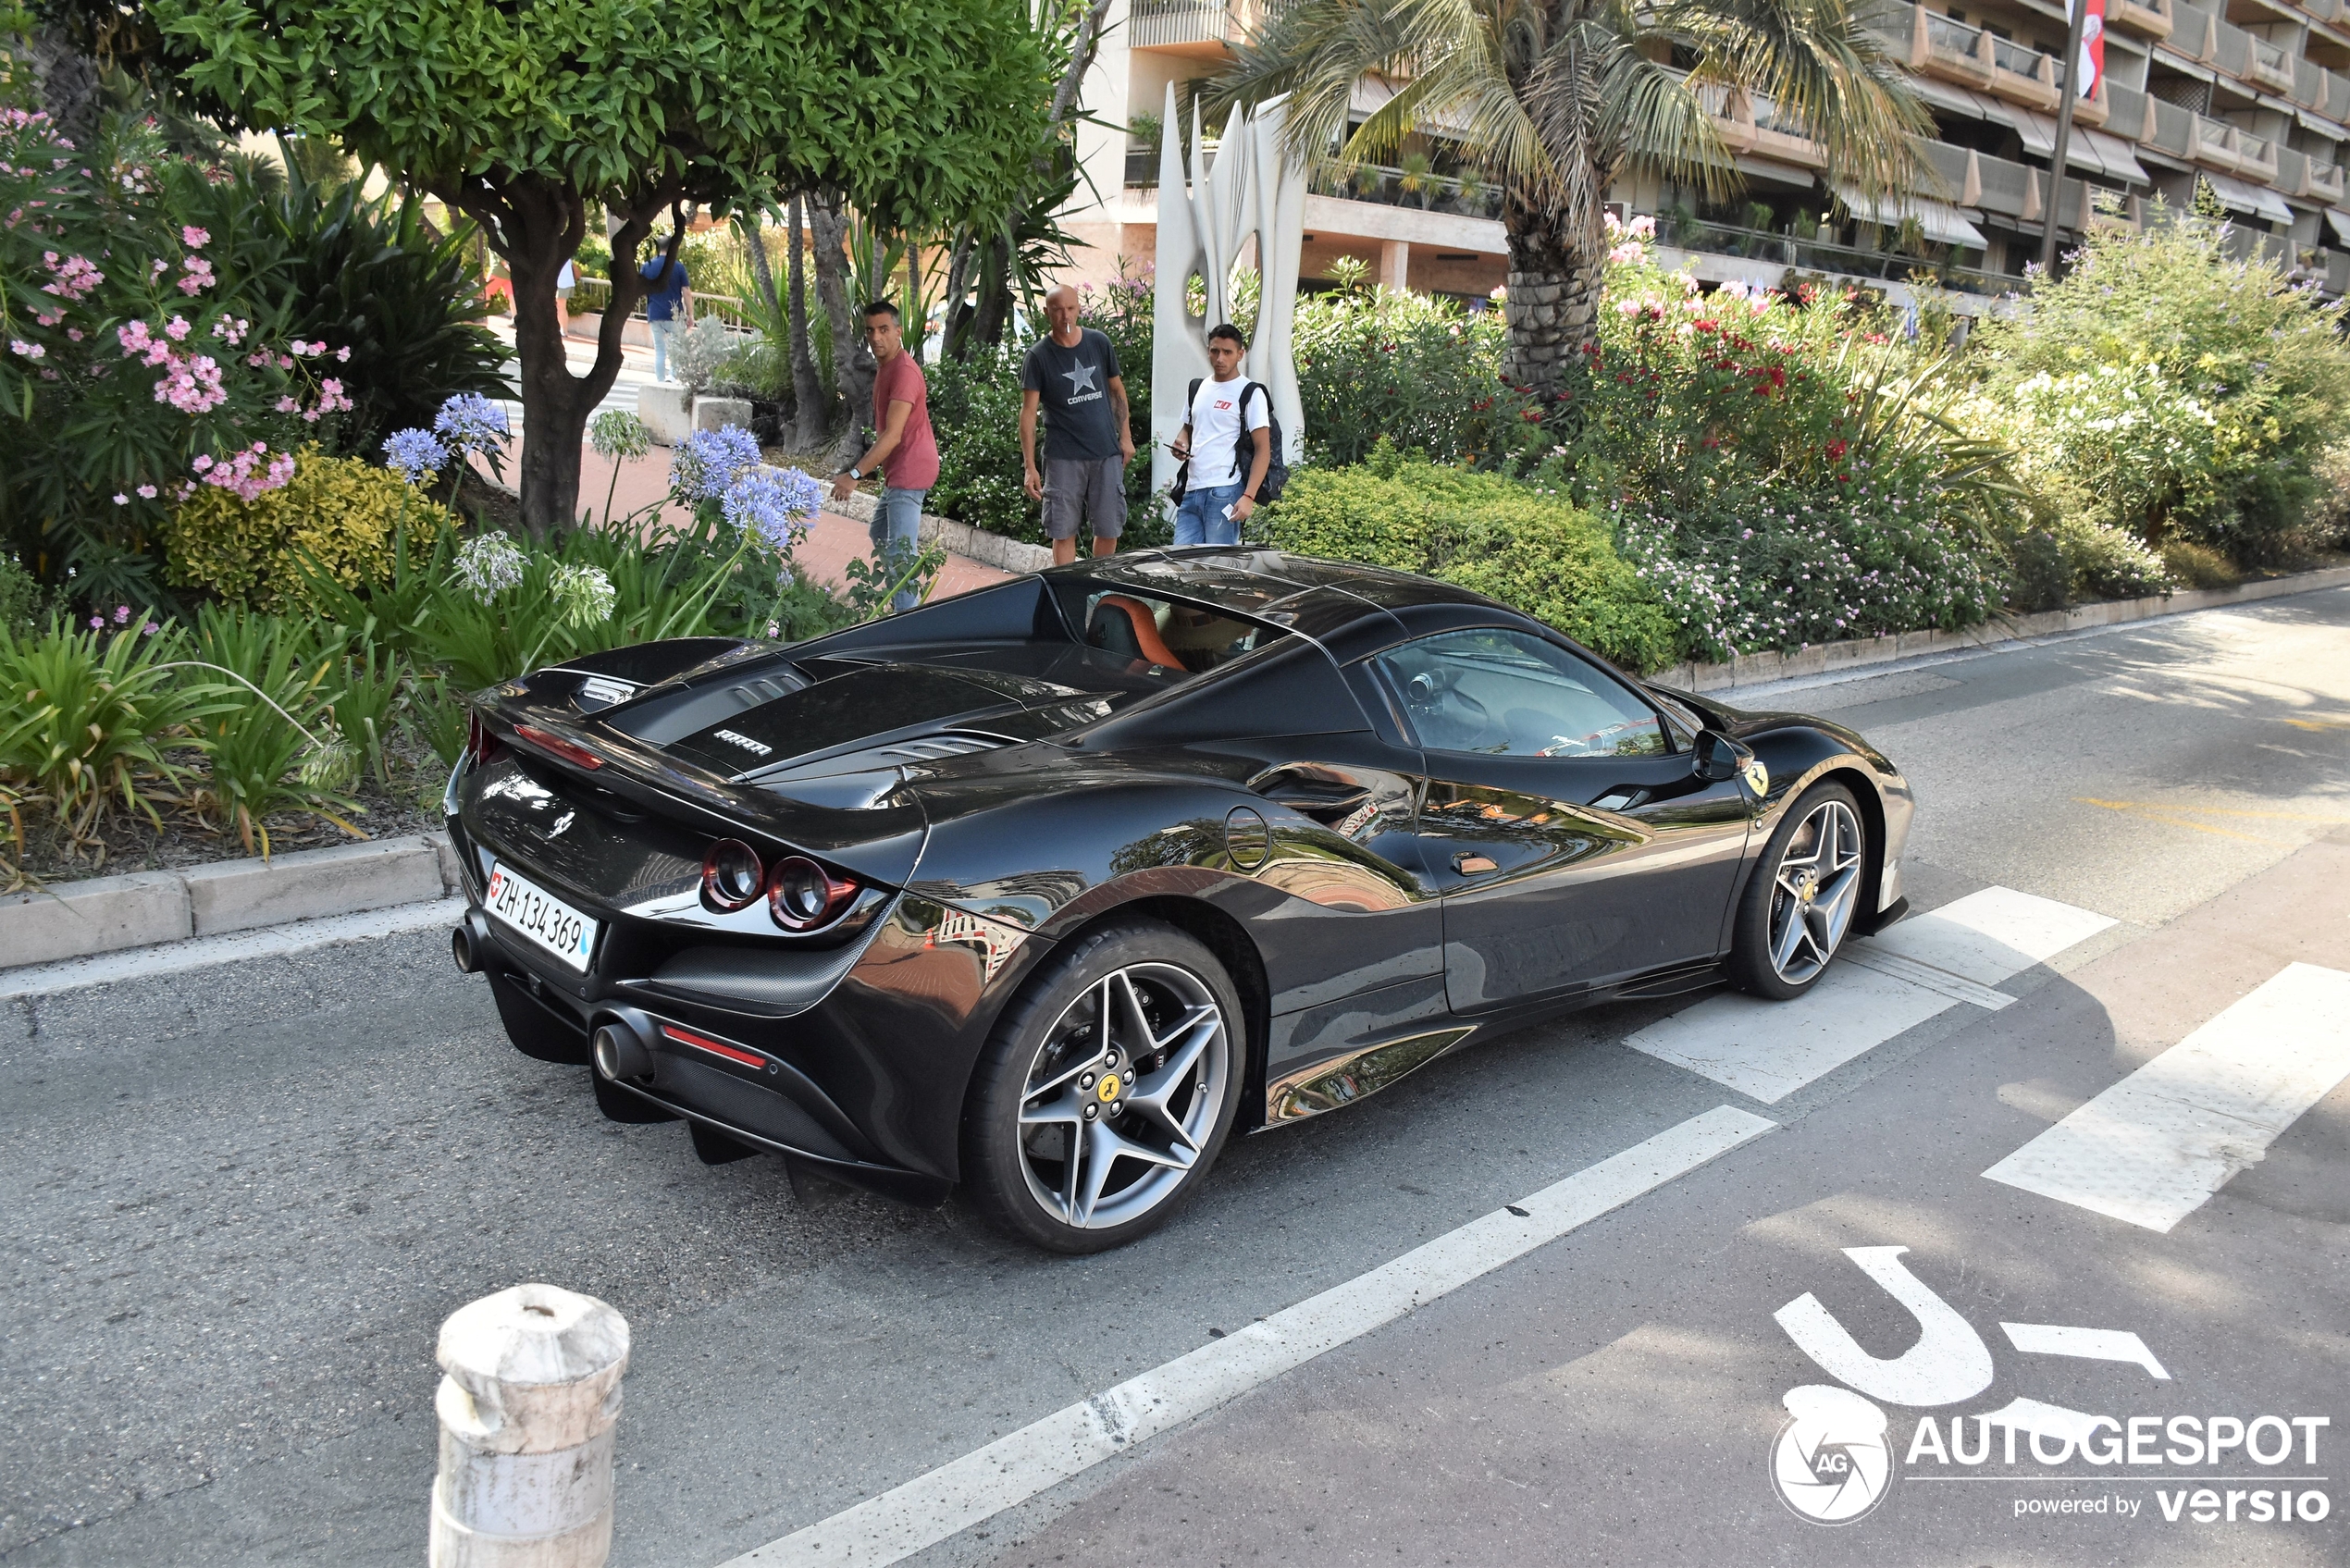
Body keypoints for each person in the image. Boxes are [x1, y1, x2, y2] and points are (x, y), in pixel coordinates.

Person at [831, 300, 940, 612]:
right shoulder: (888, 366)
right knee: (879, 533)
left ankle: (908, 622)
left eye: (883, 330)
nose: (876, 337)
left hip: (910, 470)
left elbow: (892, 436)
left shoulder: (904, 373)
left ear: (898, 331)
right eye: (870, 330)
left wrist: (854, 476)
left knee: (899, 558)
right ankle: (903, 600)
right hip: (899, 469)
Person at [1020, 284, 1134, 565]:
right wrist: (1030, 466)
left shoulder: (1098, 343)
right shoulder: (1038, 356)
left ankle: (1100, 587)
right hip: (1063, 456)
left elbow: (1117, 391)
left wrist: (1126, 437)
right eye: (1057, 310)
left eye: (1071, 309)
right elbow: (1028, 413)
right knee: (1063, 530)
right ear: (1046, 312)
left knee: (1109, 526)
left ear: (1079, 308)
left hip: (1106, 451)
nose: (1065, 316)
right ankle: (1069, 592)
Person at [1170, 323, 1270, 548]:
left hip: (1225, 490)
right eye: (1215, 351)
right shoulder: (1197, 387)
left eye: (1227, 352)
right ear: (1208, 351)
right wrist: (1182, 442)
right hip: (1192, 488)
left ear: (1240, 354)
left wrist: (1248, 497)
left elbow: (1263, 449)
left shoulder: (1250, 392)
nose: (1220, 358)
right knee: (1182, 565)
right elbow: (1188, 428)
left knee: (1218, 568)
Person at [640, 249, 691, 381]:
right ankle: (672, 378)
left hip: (655, 313)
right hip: (674, 314)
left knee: (660, 351)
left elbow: (641, 289)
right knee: (675, 350)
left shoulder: (647, 266)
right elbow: (686, 291)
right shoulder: (678, 267)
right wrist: (690, 314)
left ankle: (660, 380)